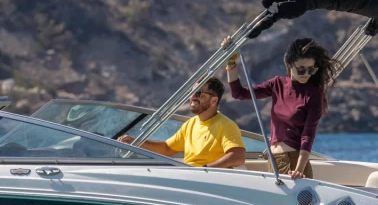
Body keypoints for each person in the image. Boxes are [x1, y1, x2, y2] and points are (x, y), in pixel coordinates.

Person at [222, 36, 338, 179]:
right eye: (301, 69)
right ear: (290, 65)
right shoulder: (278, 84)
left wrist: (299, 170)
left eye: (311, 70)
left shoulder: (314, 94)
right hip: (274, 160)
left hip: (294, 164)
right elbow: (239, 93)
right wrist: (230, 61)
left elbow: (308, 136)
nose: (306, 74)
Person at [118, 78, 246, 168]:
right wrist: (135, 143)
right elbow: (167, 148)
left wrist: (205, 170)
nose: (192, 97)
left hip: (208, 182)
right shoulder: (190, 124)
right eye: (191, 93)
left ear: (214, 101)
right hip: (191, 177)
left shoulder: (226, 125)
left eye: (198, 93)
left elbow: (237, 157)